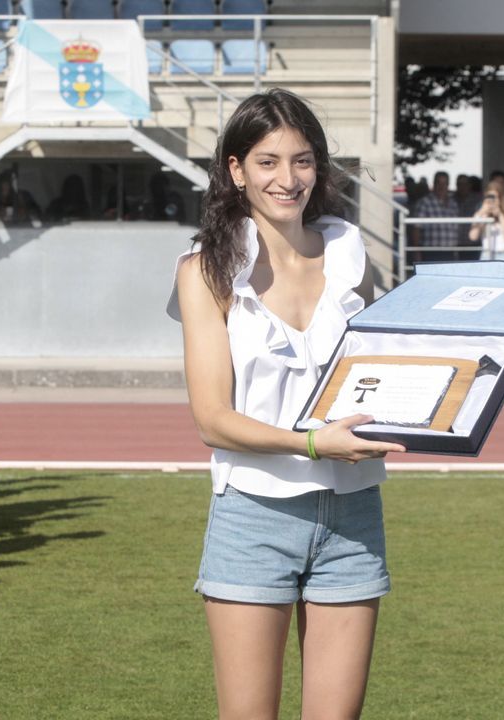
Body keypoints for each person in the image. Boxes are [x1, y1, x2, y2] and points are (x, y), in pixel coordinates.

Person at [169, 89, 405, 720]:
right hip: (253, 515)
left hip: (353, 512)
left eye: (302, 161)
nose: (288, 178)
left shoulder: (356, 261)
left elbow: (387, 378)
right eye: (268, 161)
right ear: (235, 169)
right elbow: (211, 419)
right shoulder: (204, 271)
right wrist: (311, 442)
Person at [411, 171, 462, 264]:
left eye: (444, 183)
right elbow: (416, 229)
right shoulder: (424, 202)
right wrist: (416, 251)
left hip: (450, 252)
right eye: (438, 183)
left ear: (448, 185)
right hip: (430, 252)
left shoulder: (453, 204)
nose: (441, 186)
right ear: (434, 184)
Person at [469, 176, 504, 262]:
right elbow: (473, 236)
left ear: (500, 198)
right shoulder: (481, 214)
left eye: (494, 197)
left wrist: (500, 215)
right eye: (489, 197)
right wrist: (482, 213)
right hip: (487, 255)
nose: (491, 200)